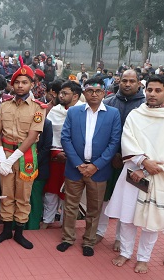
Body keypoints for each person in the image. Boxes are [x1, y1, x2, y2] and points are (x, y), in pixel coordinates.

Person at [105, 75, 164, 274]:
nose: (152, 94)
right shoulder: (136, 115)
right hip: (134, 172)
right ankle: (125, 251)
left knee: (150, 222)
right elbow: (127, 140)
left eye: (158, 91)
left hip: (158, 175)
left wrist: (149, 167)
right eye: (150, 90)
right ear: (145, 90)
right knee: (127, 216)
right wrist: (142, 161)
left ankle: (144, 258)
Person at [57, 76, 121, 257]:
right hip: (74, 168)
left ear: (104, 93)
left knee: (94, 208)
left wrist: (96, 165)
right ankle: (68, 238)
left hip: (98, 170)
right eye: (90, 91)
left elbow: (114, 142)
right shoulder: (74, 112)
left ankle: (89, 241)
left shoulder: (113, 113)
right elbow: (65, 139)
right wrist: (78, 164)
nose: (94, 94)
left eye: (98, 91)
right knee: (70, 206)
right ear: (84, 92)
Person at [0, 65, 47, 249]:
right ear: (11, 85)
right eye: (17, 83)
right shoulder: (4, 105)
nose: (20, 86)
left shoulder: (38, 108)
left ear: (32, 84)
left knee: (23, 195)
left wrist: (12, 158)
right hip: (5, 153)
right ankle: (6, 230)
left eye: (25, 82)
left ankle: (19, 232)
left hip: (25, 156)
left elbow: (32, 137)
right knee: (6, 193)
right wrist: (2, 156)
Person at [96, 69, 146, 249]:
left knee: (128, 201)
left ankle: (120, 238)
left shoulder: (145, 107)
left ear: (139, 83)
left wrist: (128, 157)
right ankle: (99, 232)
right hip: (108, 159)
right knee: (104, 197)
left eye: (132, 81)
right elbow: (101, 134)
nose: (127, 84)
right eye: (124, 80)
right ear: (119, 81)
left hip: (134, 163)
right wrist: (112, 155)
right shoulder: (108, 102)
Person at [42, 81, 84, 229]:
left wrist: (70, 154)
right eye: (61, 92)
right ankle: (47, 220)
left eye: (65, 93)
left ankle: (65, 223)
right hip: (54, 157)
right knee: (51, 190)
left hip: (75, 159)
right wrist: (56, 153)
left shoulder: (83, 111)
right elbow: (49, 134)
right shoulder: (55, 110)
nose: (60, 95)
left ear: (75, 96)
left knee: (70, 192)